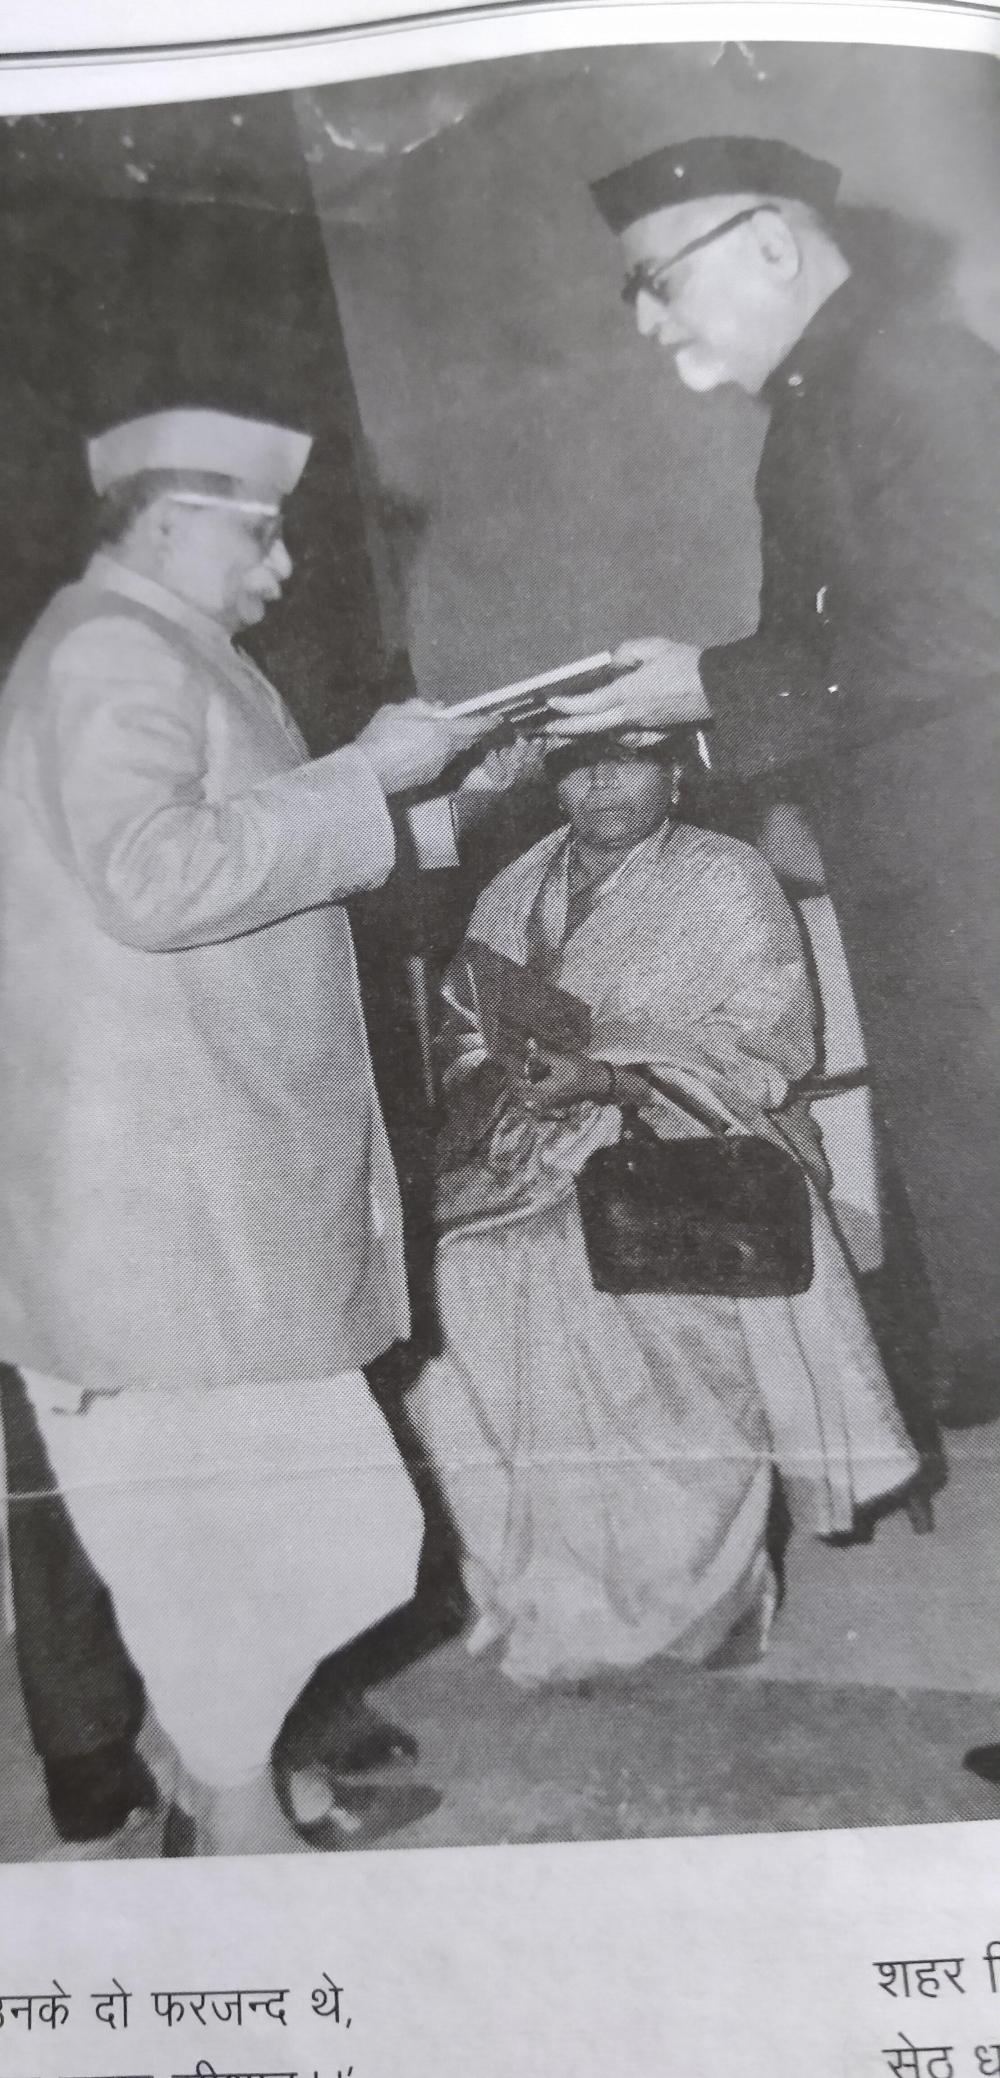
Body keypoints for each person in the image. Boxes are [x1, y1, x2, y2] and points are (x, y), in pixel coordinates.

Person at [0, 406, 491, 1855]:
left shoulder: (163, 648)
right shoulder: (110, 651)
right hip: (163, 1204)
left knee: (272, 1533)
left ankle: (232, 1795)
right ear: (166, 521)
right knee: (268, 1540)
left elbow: (254, 849)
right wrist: (369, 778)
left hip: (204, 1191)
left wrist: (453, 790)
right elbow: (155, 878)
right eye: (260, 536)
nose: (282, 569)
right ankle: (238, 1835)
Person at [544, 135, 1000, 1439]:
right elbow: (830, 652)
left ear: (768, 243)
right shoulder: (818, 407)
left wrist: (712, 681)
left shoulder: (913, 371)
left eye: (654, 280)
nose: (644, 321)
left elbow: (969, 618)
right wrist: (697, 702)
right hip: (935, 884)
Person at [408, 733, 917, 1689]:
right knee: (447, 1282)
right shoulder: (512, 888)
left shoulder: (727, 877)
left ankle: (705, 1595)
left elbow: (768, 1049)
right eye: (579, 763)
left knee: (596, 1278)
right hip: (525, 1149)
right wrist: (508, 1072)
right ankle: (555, 1586)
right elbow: (460, 1038)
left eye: (631, 757)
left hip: (700, 1139)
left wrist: (610, 1077)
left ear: (677, 772)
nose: (601, 781)